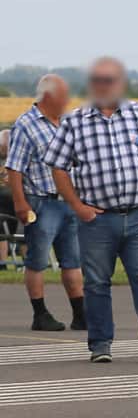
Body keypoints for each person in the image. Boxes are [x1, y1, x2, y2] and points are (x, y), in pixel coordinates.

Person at [43, 57, 138, 364]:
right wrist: (78, 206)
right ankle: (100, 344)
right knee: (96, 282)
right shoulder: (74, 121)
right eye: (99, 81)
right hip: (98, 220)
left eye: (111, 80)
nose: (105, 86)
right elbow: (57, 166)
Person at [6, 75, 87, 331]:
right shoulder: (26, 125)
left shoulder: (67, 123)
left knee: (72, 260)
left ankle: (80, 314)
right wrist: (21, 203)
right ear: (49, 96)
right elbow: (15, 168)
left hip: (69, 202)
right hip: (41, 202)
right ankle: (40, 314)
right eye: (63, 96)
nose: (67, 101)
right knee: (37, 260)